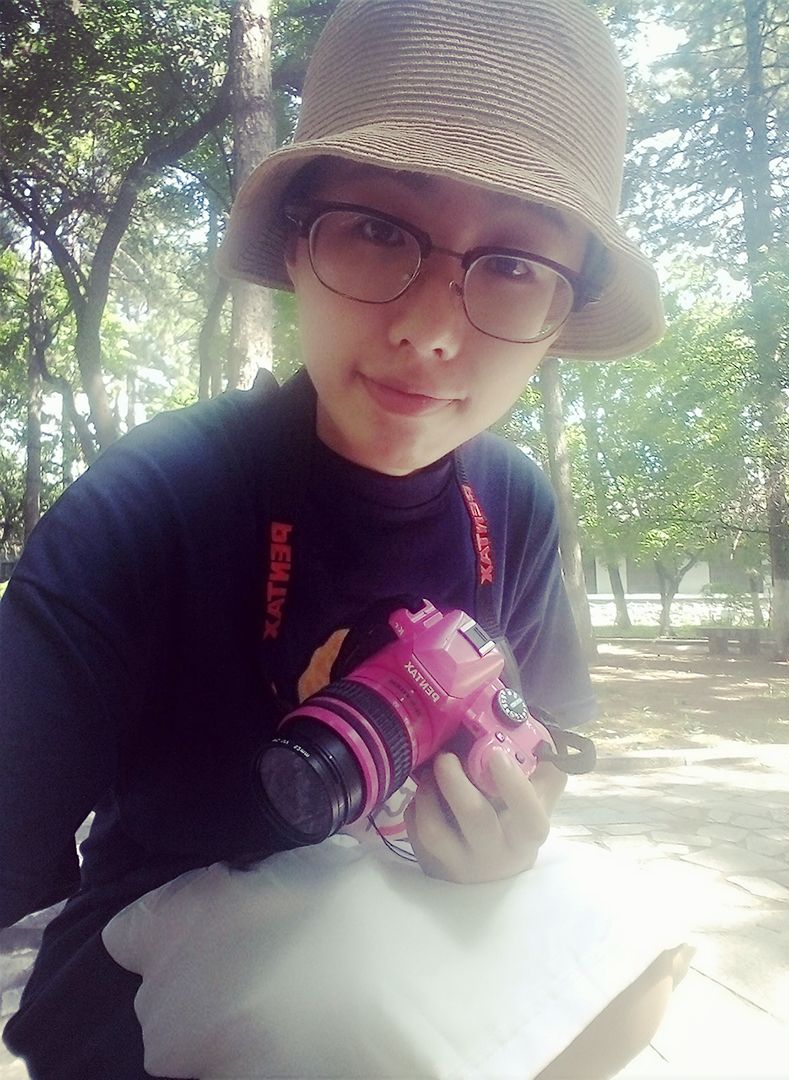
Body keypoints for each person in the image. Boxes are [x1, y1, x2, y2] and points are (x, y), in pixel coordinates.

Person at [0, 1, 692, 1077]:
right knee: (347, 995)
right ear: (297, 244)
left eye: (514, 264)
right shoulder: (155, 500)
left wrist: (508, 826)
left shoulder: (514, 503)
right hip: (153, 950)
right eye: (376, 229)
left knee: (642, 964)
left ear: (560, 317)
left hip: (402, 897)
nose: (429, 328)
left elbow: (544, 742)